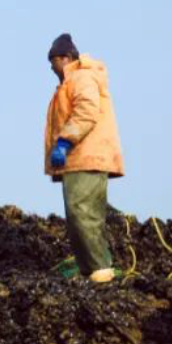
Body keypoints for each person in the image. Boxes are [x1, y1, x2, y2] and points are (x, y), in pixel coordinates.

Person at [44, 33, 124, 284]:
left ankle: (101, 268)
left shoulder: (82, 76)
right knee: (75, 214)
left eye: (53, 61)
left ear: (65, 58)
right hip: (77, 159)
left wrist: (65, 141)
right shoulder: (69, 82)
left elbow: (87, 110)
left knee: (83, 212)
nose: (50, 67)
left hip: (87, 156)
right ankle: (88, 268)